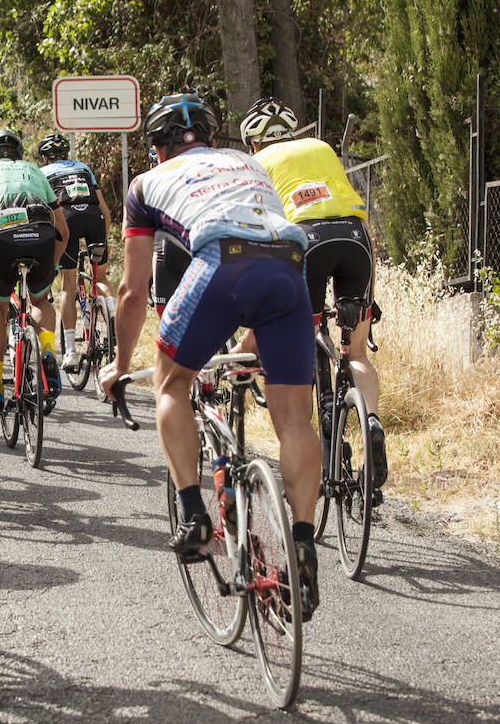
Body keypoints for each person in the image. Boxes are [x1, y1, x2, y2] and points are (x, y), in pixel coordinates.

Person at [99, 92, 323, 618]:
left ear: (156, 148)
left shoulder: (145, 184)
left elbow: (132, 293)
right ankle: (305, 540)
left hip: (222, 260)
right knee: (294, 420)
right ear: (213, 137)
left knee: (172, 384)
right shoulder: (251, 162)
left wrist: (116, 363)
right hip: (290, 266)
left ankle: (194, 513)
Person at [243, 98, 386, 489]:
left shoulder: (257, 164)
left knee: (298, 347)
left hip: (306, 241)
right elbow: (354, 209)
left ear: (253, 144)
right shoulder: (321, 147)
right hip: (355, 239)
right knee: (355, 352)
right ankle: (371, 420)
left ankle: (309, 440)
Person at [0, 129, 67, 414]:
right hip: (41, 232)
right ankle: (47, 349)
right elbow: (63, 230)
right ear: (21, 155)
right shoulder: (35, 170)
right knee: (41, 301)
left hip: (1, 234)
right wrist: (52, 267)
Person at [36, 133, 114, 372]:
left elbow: (46, 214)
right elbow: (105, 210)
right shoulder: (83, 168)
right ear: (67, 155)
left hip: (67, 218)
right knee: (100, 277)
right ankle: (111, 312)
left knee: (68, 284)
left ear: (44, 157)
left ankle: (70, 351)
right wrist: (104, 237)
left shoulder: (43, 173)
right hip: (94, 218)